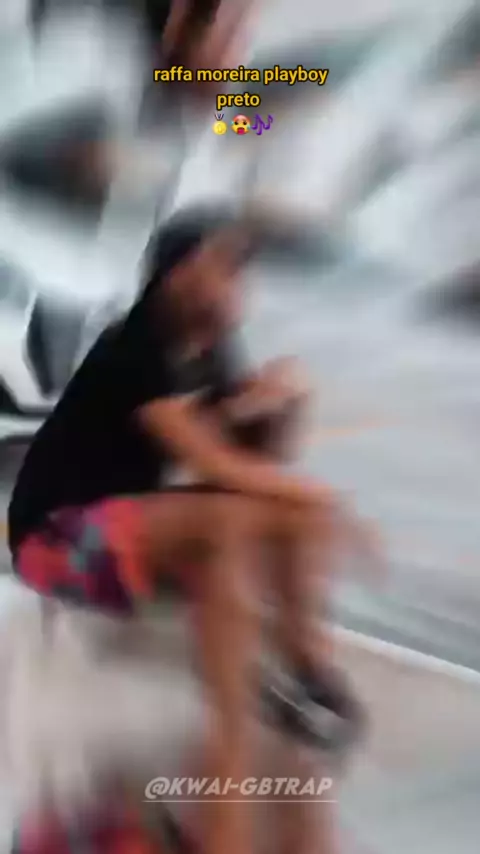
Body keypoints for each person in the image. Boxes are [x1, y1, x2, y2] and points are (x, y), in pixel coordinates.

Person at [8, 207, 366, 854]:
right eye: (223, 267)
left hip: (133, 527)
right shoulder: (136, 347)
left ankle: (300, 679)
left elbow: (262, 461)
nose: (237, 283)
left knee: (270, 521)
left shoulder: (211, 349)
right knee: (238, 516)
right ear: (177, 274)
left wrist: (281, 404)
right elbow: (211, 463)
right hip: (56, 538)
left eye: (240, 270)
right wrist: (323, 497)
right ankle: (252, 706)